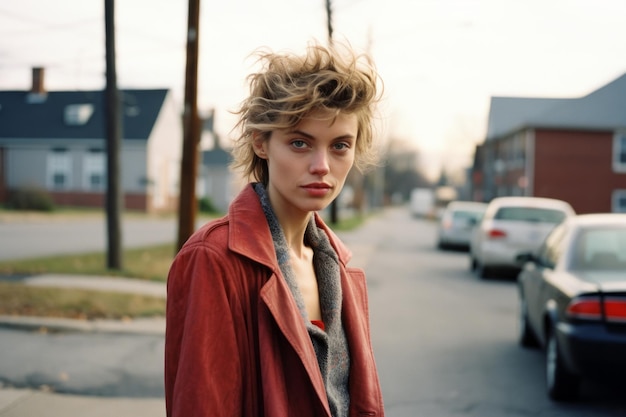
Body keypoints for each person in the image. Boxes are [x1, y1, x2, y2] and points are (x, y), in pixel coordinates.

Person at [165, 41, 385, 417]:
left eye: (340, 146)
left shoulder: (339, 266)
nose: (321, 165)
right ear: (261, 143)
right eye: (300, 143)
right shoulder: (215, 260)